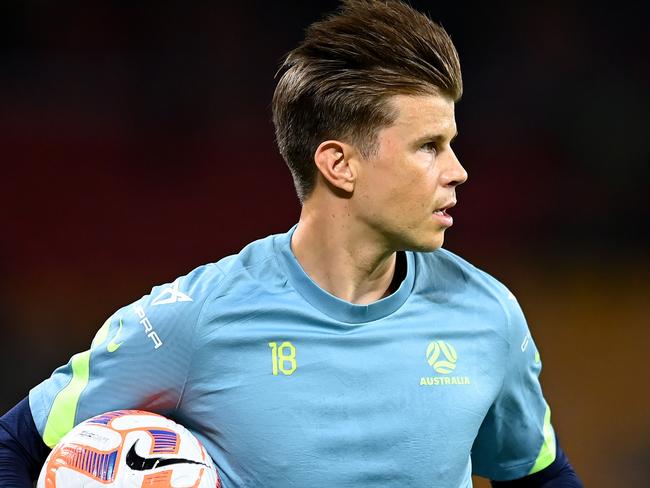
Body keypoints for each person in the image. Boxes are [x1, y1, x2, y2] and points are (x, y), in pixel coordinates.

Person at [0, 1, 583, 486]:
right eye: (429, 146)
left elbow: (538, 476)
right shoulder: (196, 318)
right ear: (339, 164)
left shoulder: (488, 316)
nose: (458, 171)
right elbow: (16, 444)